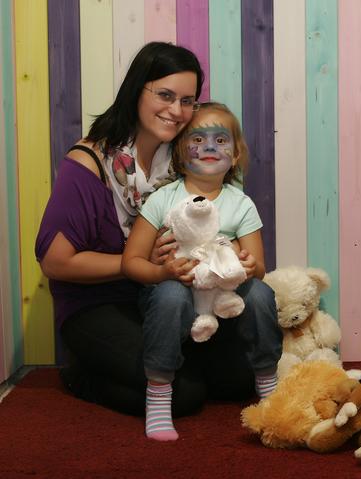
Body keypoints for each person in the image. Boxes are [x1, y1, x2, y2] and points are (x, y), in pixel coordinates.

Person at [35, 42, 282, 439]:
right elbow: (55, 262)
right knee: (186, 393)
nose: (176, 110)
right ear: (137, 90)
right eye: (165, 95)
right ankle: (82, 375)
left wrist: (229, 254)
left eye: (187, 101)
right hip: (98, 304)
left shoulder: (180, 156)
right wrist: (142, 262)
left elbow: (221, 217)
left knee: (236, 380)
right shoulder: (89, 162)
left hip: (171, 297)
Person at [122, 101, 281, 440]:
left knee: (261, 295)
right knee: (170, 295)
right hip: (174, 296)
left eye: (220, 140)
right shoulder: (163, 199)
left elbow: (259, 269)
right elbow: (131, 262)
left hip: (223, 304)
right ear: (181, 153)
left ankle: (269, 383)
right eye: (198, 139)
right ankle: (159, 393)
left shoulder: (241, 204)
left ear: (235, 155)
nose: (209, 146)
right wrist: (162, 273)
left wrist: (248, 265)